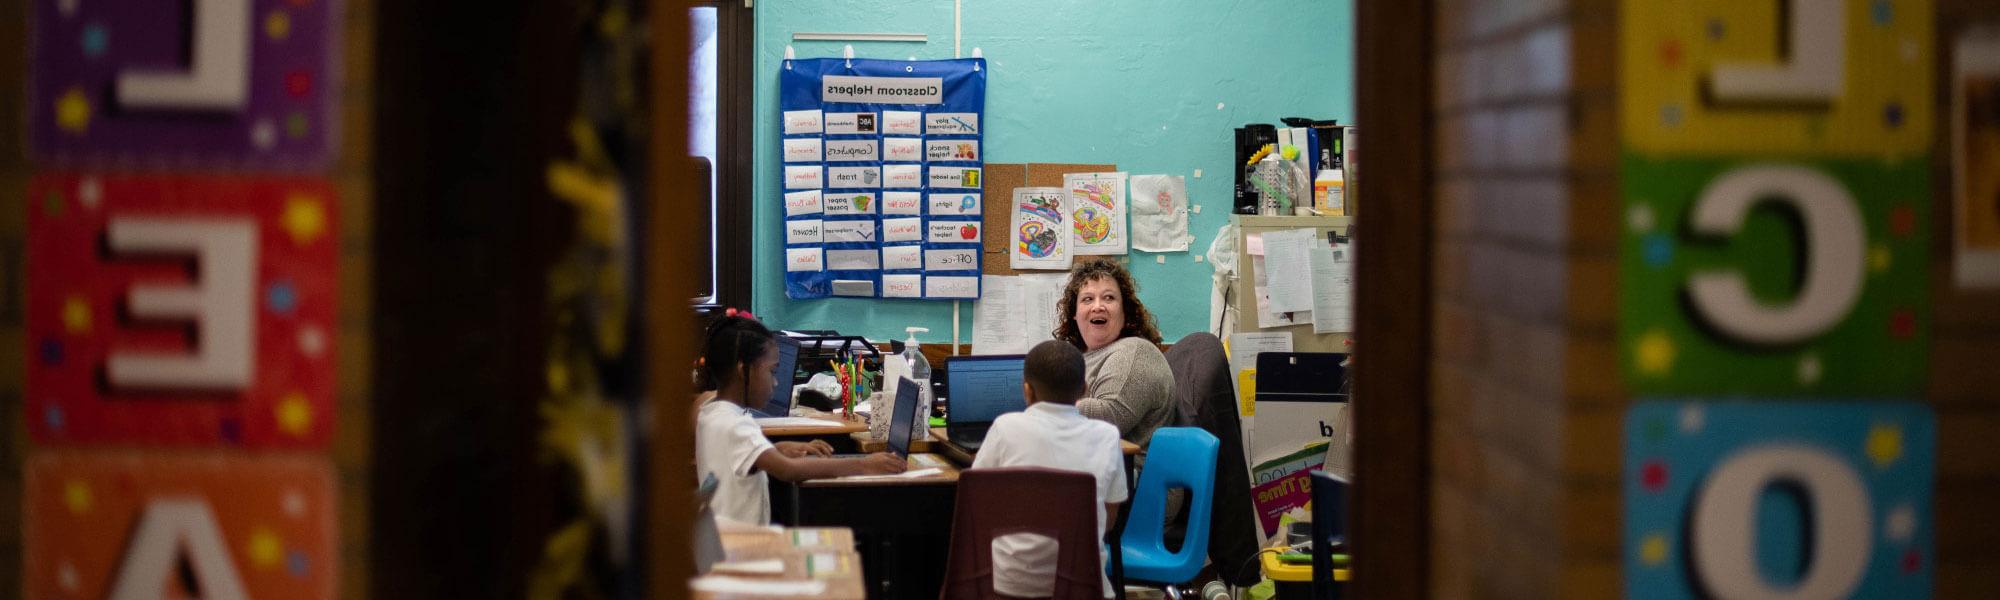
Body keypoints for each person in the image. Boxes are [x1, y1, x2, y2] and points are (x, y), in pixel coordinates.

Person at [694, 312, 904, 524]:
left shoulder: (710, 412)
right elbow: (788, 470)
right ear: (743, 369)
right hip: (741, 548)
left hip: (722, 541)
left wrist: (777, 449)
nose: (775, 383)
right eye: (772, 371)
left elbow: (732, 457)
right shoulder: (737, 425)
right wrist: (865, 465)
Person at [970, 340, 1128, 599]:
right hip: (1083, 586)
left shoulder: (1005, 427)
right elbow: (1109, 520)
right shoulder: (1108, 437)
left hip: (1008, 586)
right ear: (1084, 390)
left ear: (1027, 391)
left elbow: (978, 504)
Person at [1054, 257, 1176, 455]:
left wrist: (1047, 403)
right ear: (1075, 313)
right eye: (1087, 299)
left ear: (1125, 310)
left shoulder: (1134, 352)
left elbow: (1108, 416)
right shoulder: (1082, 356)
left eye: (1109, 298)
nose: (1098, 306)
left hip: (1128, 478)